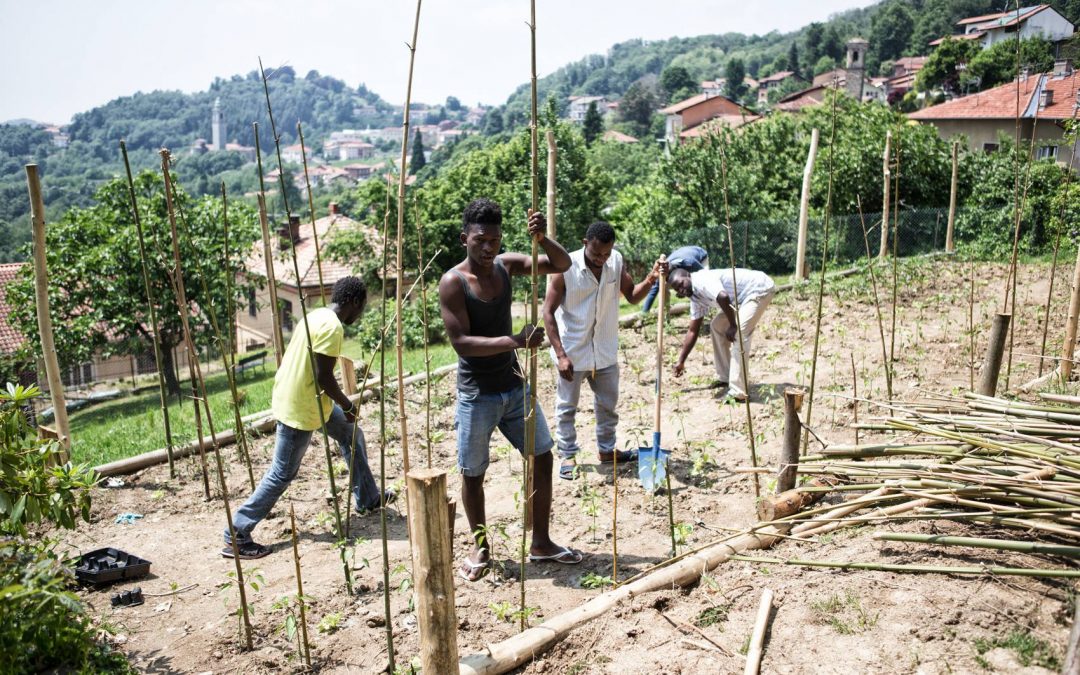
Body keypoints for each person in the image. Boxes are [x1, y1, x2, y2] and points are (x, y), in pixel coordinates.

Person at [438, 197, 578, 582]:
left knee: (543, 455)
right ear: (465, 237)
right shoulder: (453, 283)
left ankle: (542, 543)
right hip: (476, 394)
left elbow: (563, 264)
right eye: (481, 240)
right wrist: (516, 341)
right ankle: (481, 548)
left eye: (495, 241)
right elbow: (463, 343)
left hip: (514, 387)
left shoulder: (505, 266)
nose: (488, 248)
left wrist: (543, 237)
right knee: (473, 474)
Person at [223, 276, 391, 559]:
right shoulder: (332, 327)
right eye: (362, 308)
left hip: (310, 400)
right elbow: (323, 377)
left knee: (352, 435)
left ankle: (368, 498)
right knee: (282, 473)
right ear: (354, 302)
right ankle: (236, 533)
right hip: (301, 407)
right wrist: (347, 405)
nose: (361, 314)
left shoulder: (317, 316)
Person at [542, 221, 666, 480]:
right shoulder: (565, 267)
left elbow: (632, 295)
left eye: (606, 253)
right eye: (596, 253)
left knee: (608, 406)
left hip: (605, 350)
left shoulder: (615, 262)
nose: (601, 259)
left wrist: (653, 277)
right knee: (566, 407)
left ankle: (607, 450)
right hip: (573, 353)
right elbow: (548, 312)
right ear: (585, 243)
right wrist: (561, 355)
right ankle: (568, 455)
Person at [669, 267, 775, 402]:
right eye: (677, 290)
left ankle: (738, 391)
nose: (681, 290)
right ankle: (726, 377)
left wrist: (732, 325)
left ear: (688, 276)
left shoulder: (701, 281)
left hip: (758, 288)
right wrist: (681, 361)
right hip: (740, 298)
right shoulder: (695, 297)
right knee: (717, 326)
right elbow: (693, 330)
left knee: (739, 334)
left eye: (681, 284)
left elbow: (723, 296)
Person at [640, 245, 708, 314]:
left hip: (700, 255)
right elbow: (653, 292)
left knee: (699, 287)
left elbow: (705, 277)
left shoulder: (690, 263)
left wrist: (686, 290)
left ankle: (704, 310)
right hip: (681, 255)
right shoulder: (662, 270)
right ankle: (667, 311)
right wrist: (644, 313)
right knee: (663, 288)